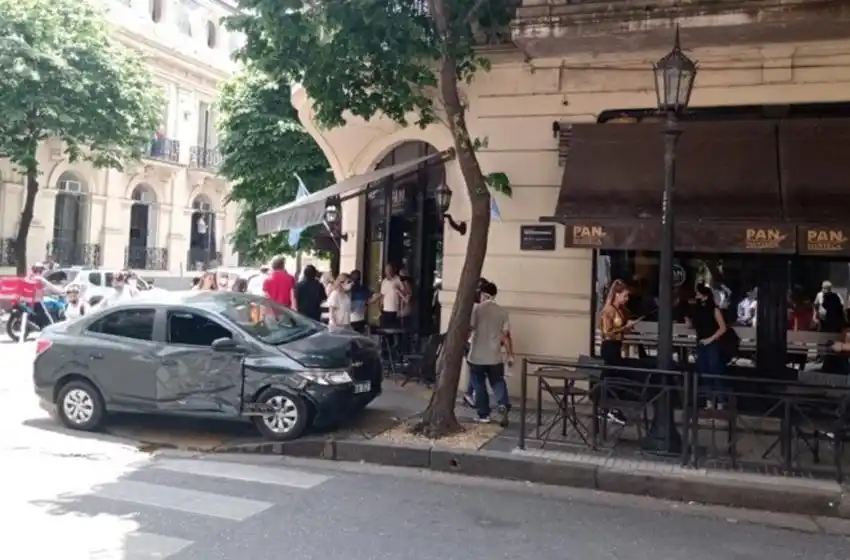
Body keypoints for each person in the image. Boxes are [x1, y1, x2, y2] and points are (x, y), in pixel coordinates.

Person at [467, 281, 513, 426]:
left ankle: (484, 414)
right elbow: (505, 335)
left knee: (479, 384)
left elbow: (470, 327)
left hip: (477, 354)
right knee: (498, 381)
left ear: (483, 294)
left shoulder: (476, 309)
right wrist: (510, 354)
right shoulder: (502, 311)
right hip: (495, 355)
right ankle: (503, 404)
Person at [598, 279, 635, 425]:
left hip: (616, 345)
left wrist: (627, 327)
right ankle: (605, 408)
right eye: (625, 296)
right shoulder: (608, 310)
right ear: (617, 294)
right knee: (609, 376)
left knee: (613, 376)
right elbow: (607, 332)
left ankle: (610, 407)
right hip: (609, 346)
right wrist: (625, 328)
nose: (626, 299)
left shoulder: (619, 310)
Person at [690, 283, 729, 410]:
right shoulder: (697, 309)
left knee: (715, 372)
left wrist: (710, 339)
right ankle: (709, 400)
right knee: (704, 372)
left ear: (705, 295)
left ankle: (720, 401)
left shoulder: (714, 309)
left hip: (712, 343)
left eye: (698, 293)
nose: (696, 295)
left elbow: (723, 328)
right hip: (702, 342)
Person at [378, 263, 405, 328]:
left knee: (395, 330)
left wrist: (401, 310)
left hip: (395, 310)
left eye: (389, 270)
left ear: (394, 270)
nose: (388, 272)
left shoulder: (398, 279)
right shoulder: (384, 281)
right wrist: (380, 306)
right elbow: (382, 295)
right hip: (385, 310)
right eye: (386, 270)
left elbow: (404, 295)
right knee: (386, 330)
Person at [349, 269, 374, 334]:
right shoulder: (363, 288)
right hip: (357, 317)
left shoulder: (349, 289)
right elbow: (370, 298)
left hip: (354, 318)